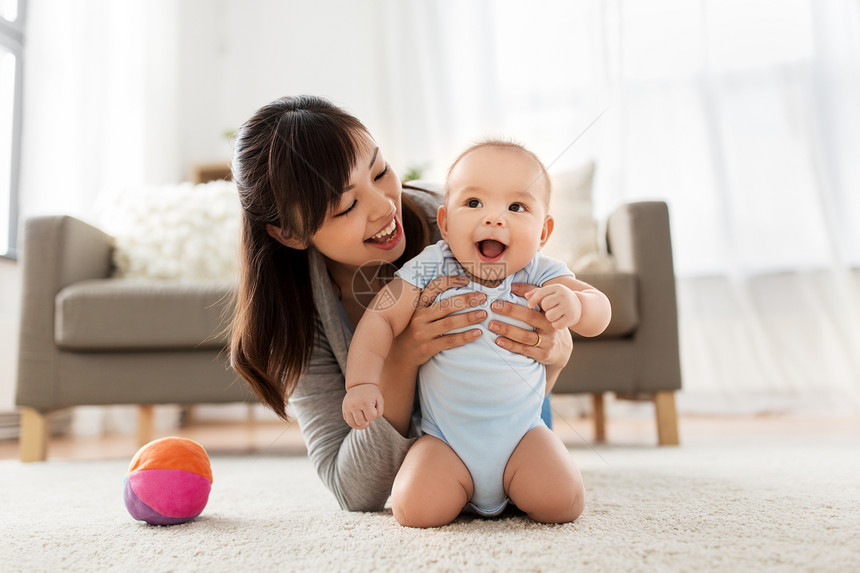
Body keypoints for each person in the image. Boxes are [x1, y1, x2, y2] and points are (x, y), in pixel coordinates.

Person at [229, 95, 575, 514]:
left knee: (554, 493)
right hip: (436, 461)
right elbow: (353, 490)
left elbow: (550, 305)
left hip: (518, 428)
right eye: (347, 205)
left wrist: (555, 354)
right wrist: (402, 357)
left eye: (380, 171)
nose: (384, 206)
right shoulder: (297, 315)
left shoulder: (460, 226)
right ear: (289, 234)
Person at [342, 141, 611, 527]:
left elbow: (599, 309)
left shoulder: (541, 272)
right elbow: (380, 318)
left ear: (544, 231)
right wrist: (362, 383)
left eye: (516, 207)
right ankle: (462, 488)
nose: (494, 219)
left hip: (523, 435)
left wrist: (578, 305)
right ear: (446, 223)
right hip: (445, 441)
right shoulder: (432, 265)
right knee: (414, 510)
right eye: (474, 204)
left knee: (563, 502)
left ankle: (516, 484)